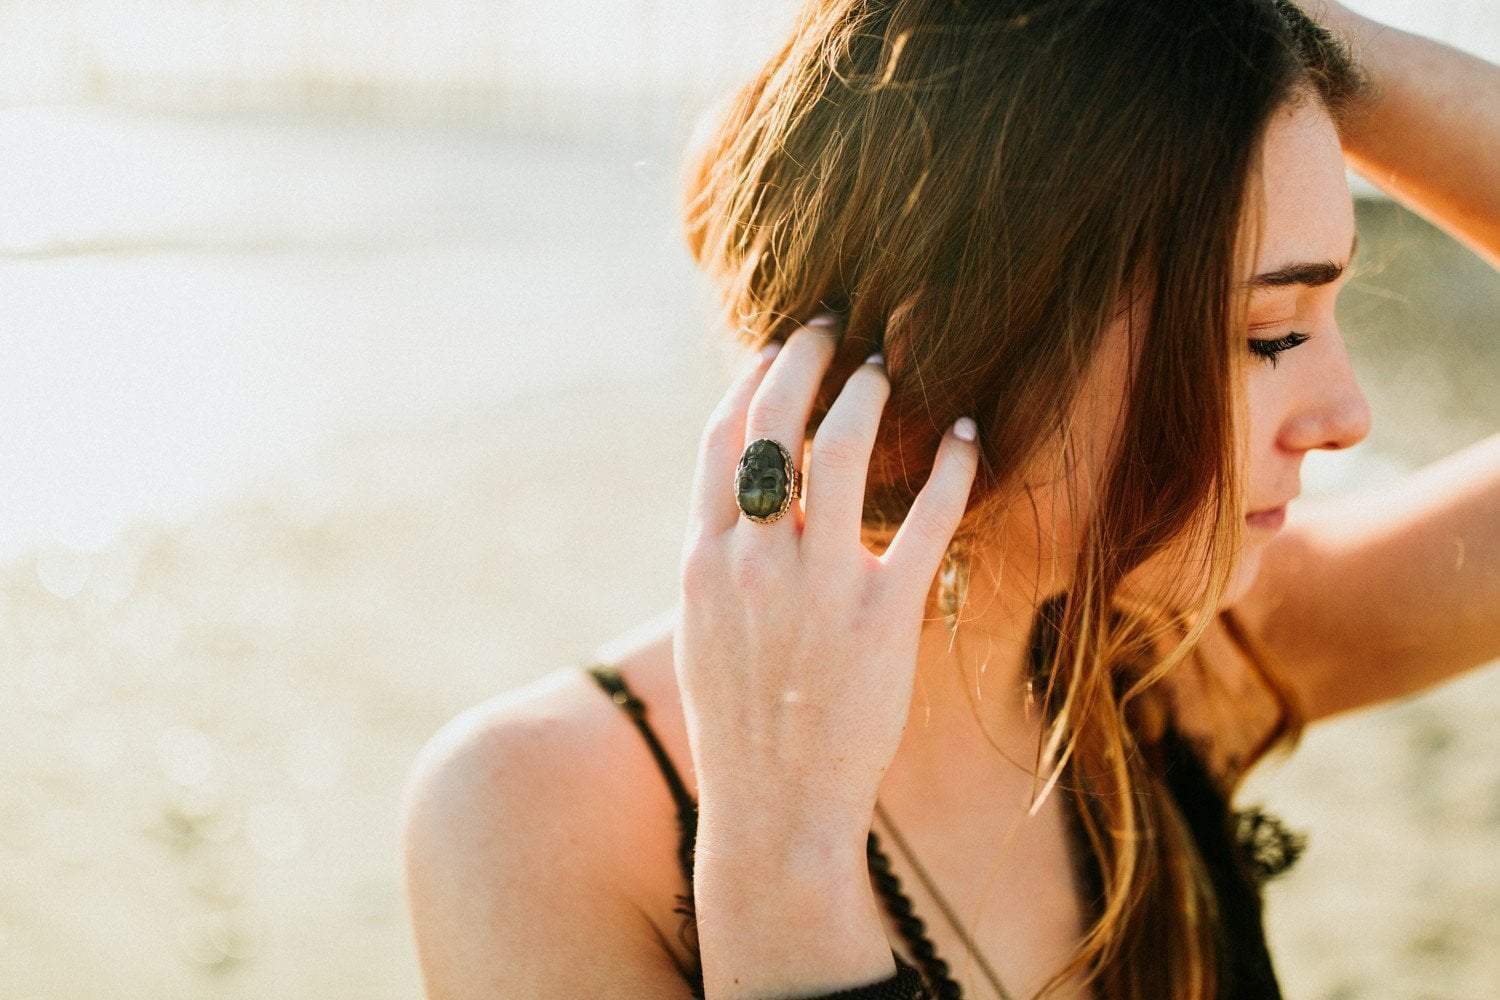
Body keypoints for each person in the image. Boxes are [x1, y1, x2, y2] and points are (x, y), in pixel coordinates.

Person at [399, 1, 1500, 997]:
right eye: (1269, 334)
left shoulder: (1164, 661)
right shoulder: (534, 812)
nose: (1347, 414)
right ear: (957, 351)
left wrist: (1270, 30)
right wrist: (783, 856)